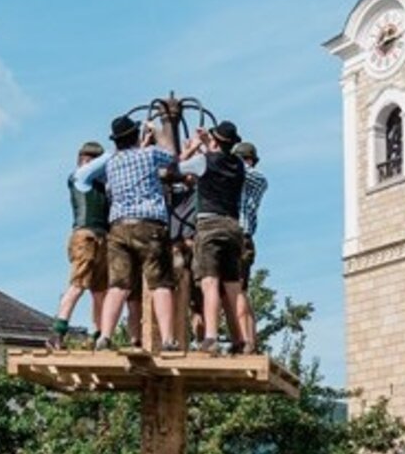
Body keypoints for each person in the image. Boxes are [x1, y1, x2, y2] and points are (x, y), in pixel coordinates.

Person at [73, 115, 180, 352]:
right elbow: (172, 155)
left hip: (119, 227)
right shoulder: (149, 155)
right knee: (160, 284)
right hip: (149, 225)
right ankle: (168, 339)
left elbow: (86, 176)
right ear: (136, 136)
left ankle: (105, 336)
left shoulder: (111, 163)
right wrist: (160, 129)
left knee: (118, 285)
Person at [177, 122, 258, 356]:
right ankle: (242, 339)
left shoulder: (204, 161)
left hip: (209, 225)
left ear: (215, 139)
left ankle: (211, 337)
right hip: (233, 227)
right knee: (233, 285)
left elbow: (178, 168)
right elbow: (219, 158)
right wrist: (207, 144)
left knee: (209, 283)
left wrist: (193, 147)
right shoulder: (238, 166)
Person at [53, 141, 110, 348]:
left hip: (102, 236)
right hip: (85, 235)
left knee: (100, 290)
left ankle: (98, 333)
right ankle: (58, 331)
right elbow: (107, 160)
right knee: (78, 284)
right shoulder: (80, 177)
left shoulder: (100, 185)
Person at [235, 140, 267, 276]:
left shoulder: (258, 179)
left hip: (242, 234)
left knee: (239, 283)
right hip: (227, 231)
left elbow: (241, 171)